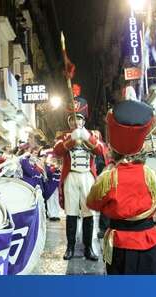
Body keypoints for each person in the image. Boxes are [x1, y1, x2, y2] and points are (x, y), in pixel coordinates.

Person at [87, 99, 156, 275]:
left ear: (114, 148)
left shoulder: (109, 177)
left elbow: (92, 203)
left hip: (120, 247)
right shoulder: (152, 175)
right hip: (149, 245)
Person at [53, 96, 106, 261]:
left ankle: (88, 247)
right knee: (71, 213)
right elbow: (57, 151)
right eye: (72, 120)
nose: (76, 123)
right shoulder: (64, 136)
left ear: (83, 121)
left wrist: (86, 138)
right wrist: (71, 139)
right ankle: (69, 247)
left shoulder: (92, 135)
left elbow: (99, 151)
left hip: (87, 178)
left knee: (88, 212)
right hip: (71, 177)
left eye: (79, 119)